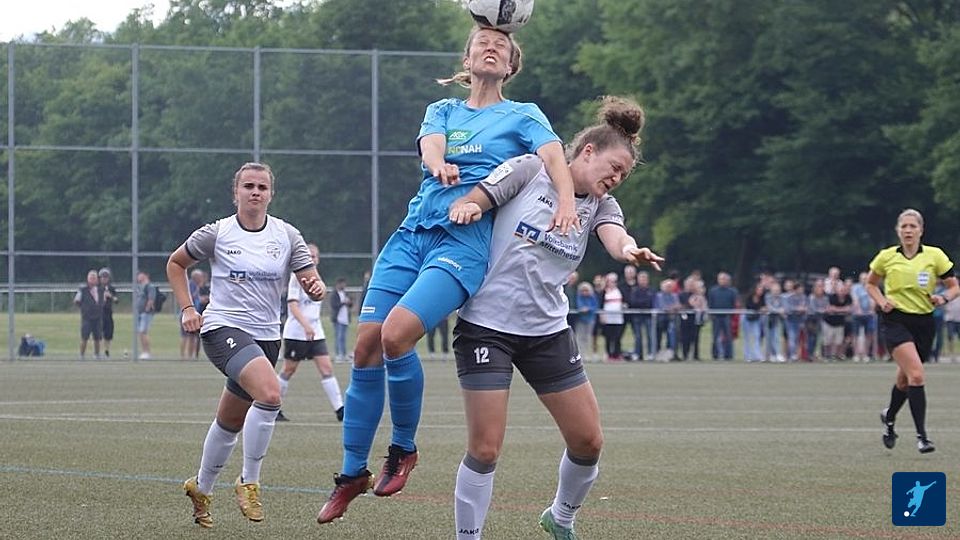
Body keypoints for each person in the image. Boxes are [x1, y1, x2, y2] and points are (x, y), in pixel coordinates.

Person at [317, 26, 579, 524]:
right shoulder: (442, 110)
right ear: (467, 58)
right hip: (412, 233)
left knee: (396, 335)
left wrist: (566, 202)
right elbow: (431, 148)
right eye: (482, 42)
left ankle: (403, 448)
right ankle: (351, 473)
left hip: (463, 243)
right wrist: (438, 165)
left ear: (510, 66)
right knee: (365, 345)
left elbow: (553, 158)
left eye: (501, 46)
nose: (491, 47)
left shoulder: (523, 114)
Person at [445, 96, 662, 539]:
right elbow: (479, 197)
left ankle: (560, 518)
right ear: (587, 151)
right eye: (614, 167)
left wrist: (629, 251)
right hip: (487, 326)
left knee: (588, 441)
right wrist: (470, 206)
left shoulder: (601, 205)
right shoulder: (531, 170)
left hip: (547, 332)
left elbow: (616, 237)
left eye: (623, 175)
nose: (616, 179)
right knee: (485, 449)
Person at [168, 162, 326, 528]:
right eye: (248, 186)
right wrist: (188, 308)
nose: (255, 192)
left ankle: (201, 487)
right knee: (270, 394)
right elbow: (176, 264)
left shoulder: (287, 235)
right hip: (222, 328)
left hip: (267, 337)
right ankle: (249, 481)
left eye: (262, 187)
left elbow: (311, 279)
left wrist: (315, 287)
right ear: (236, 193)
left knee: (230, 421)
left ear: (271, 194)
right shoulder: (217, 233)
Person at [870, 209, 958, 454]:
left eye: (912, 226)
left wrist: (943, 298)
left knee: (904, 380)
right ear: (898, 230)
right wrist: (881, 301)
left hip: (924, 323)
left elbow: (954, 287)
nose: (908, 230)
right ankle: (922, 437)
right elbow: (871, 284)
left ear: (921, 230)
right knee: (917, 376)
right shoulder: (886, 257)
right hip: (895, 321)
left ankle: (889, 417)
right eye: (904, 226)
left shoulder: (935, 255)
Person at [276, 243, 344, 423]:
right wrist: (306, 326)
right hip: (297, 332)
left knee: (327, 368)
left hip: (316, 332)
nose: (312, 259)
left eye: (314, 256)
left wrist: (312, 327)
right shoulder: (296, 278)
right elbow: (293, 306)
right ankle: (273, 407)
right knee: (288, 370)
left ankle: (340, 410)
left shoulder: (318, 278)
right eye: (309, 256)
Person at [74, 269, 104, 360]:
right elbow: (77, 301)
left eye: (94, 278)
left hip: (97, 317)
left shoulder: (101, 289)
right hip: (87, 317)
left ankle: (97, 354)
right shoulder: (82, 290)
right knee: (84, 336)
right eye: (91, 278)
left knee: (97, 337)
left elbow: (103, 301)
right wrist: (84, 308)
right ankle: (82, 355)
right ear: (87, 279)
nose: (92, 279)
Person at [328, 278, 352, 362]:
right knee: (339, 337)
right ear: (338, 284)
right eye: (343, 284)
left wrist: (349, 303)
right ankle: (338, 354)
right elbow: (334, 305)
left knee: (344, 338)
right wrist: (343, 302)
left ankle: (344, 354)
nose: (344, 285)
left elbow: (350, 304)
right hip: (338, 319)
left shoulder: (345, 293)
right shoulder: (334, 294)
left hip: (345, 319)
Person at [135, 270, 157, 359]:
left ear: (145, 275)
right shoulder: (140, 287)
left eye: (140, 275)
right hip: (140, 313)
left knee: (143, 332)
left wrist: (147, 309)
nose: (138, 277)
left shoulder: (150, 286)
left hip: (146, 313)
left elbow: (151, 299)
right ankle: (144, 351)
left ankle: (147, 352)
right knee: (140, 333)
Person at [98, 268, 118, 358]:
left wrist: (111, 296)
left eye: (106, 277)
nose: (104, 279)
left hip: (108, 313)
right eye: (102, 277)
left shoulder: (111, 288)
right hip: (99, 313)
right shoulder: (97, 288)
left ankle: (107, 351)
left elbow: (116, 300)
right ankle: (98, 351)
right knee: (99, 332)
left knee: (108, 333)